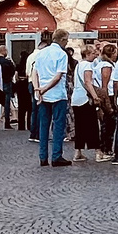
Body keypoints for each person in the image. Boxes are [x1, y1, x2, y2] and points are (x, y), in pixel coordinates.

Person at [30, 29, 71, 167]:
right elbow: (58, 76)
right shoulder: (61, 54)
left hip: (43, 95)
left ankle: (43, 157)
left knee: (43, 125)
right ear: (63, 40)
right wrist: (45, 88)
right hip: (57, 94)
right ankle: (56, 156)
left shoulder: (41, 53)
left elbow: (34, 72)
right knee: (58, 125)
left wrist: (38, 89)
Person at [70, 42, 102, 161]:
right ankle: (98, 152)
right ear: (87, 54)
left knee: (79, 126)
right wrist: (95, 97)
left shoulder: (78, 65)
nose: (96, 55)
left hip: (76, 98)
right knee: (92, 125)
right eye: (93, 53)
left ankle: (78, 152)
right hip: (85, 98)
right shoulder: (88, 66)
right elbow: (88, 82)